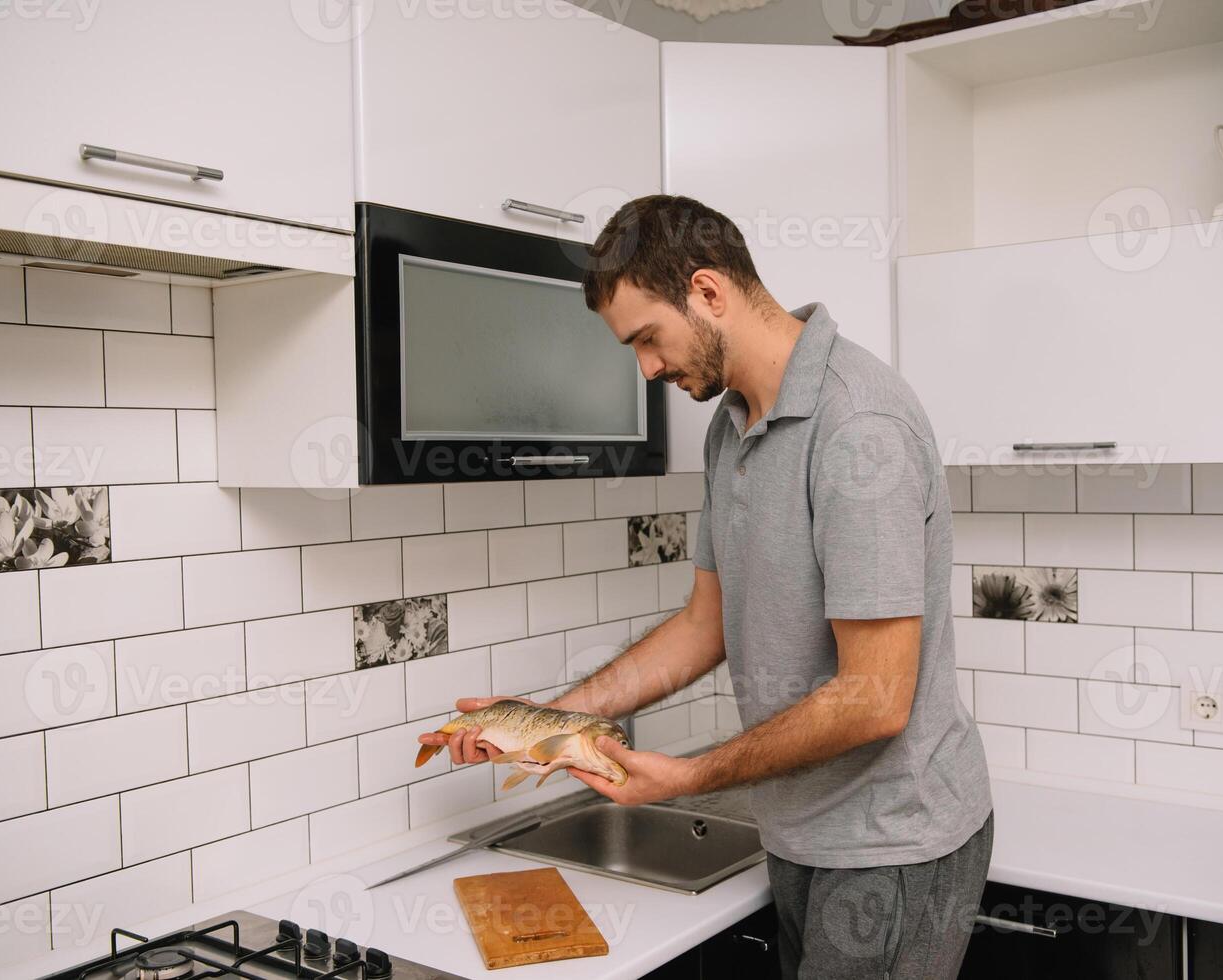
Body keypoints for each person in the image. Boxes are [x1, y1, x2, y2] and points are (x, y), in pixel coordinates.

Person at [419, 195, 993, 979]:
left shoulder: (859, 429)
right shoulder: (734, 427)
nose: (647, 369)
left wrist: (689, 776)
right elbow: (704, 625)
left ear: (709, 292)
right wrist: (544, 719)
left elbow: (876, 697)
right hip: (801, 830)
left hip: (890, 843)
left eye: (648, 338)